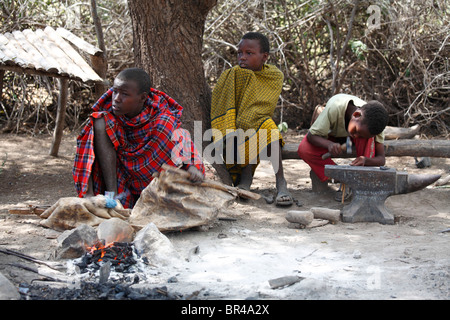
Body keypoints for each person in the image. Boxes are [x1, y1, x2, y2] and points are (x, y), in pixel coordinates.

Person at [73, 67, 205, 209]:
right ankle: (112, 196)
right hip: (121, 179)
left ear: (142, 97)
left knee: (164, 127)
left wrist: (191, 166)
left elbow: (183, 142)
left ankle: (158, 199)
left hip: (153, 186)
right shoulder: (108, 114)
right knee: (98, 121)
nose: (116, 99)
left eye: (124, 94)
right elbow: (88, 148)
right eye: (115, 91)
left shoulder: (162, 119)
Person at [210, 32, 293, 206]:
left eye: (249, 53)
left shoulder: (274, 76)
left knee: (268, 127)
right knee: (256, 129)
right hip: (235, 127)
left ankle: (281, 182)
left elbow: (265, 105)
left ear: (264, 57)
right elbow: (222, 100)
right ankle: (246, 179)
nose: (242, 57)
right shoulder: (235, 74)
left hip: (260, 121)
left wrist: (251, 119)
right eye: (239, 53)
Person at [297, 93, 389, 198]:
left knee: (368, 141)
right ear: (356, 115)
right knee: (304, 149)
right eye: (356, 131)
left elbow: (381, 159)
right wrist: (329, 144)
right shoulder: (335, 107)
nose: (356, 136)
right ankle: (344, 178)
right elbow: (311, 136)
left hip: (350, 143)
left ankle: (359, 181)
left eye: (360, 135)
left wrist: (366, 160)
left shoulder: (375, 126)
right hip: (332, 136)